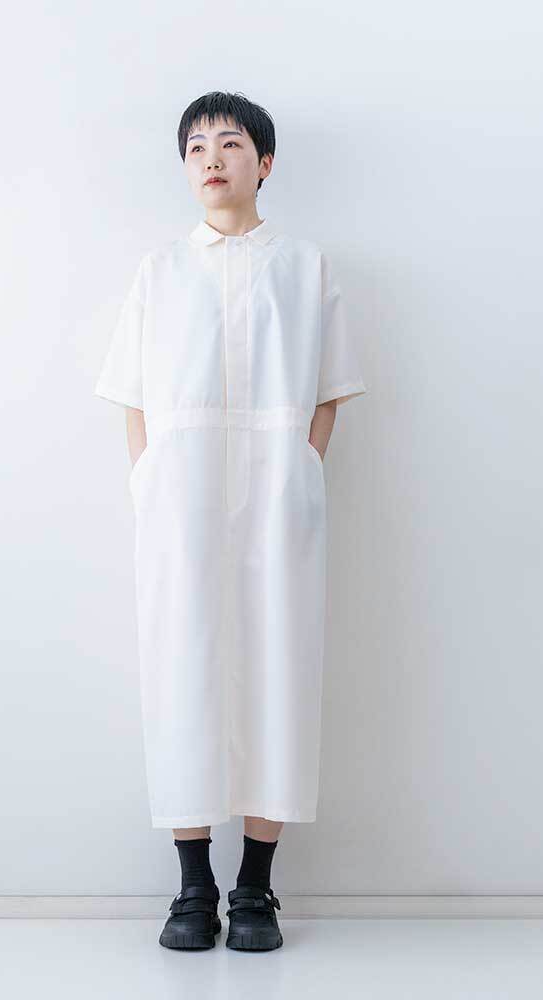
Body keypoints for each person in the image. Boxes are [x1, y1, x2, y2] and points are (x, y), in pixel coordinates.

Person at [94, 91, 367, 951]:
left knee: (277, 667)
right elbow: (133, 395)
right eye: (196, 147)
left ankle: (255, 885)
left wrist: (303, 468)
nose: (212, 158)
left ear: (265, 162)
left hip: (277, 488)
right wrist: (148, 480)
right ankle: (192, 884)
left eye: (231, 142)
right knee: (181, 664)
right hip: (181, 495)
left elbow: (329, 388)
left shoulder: (305, 266)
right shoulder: (159, 271)